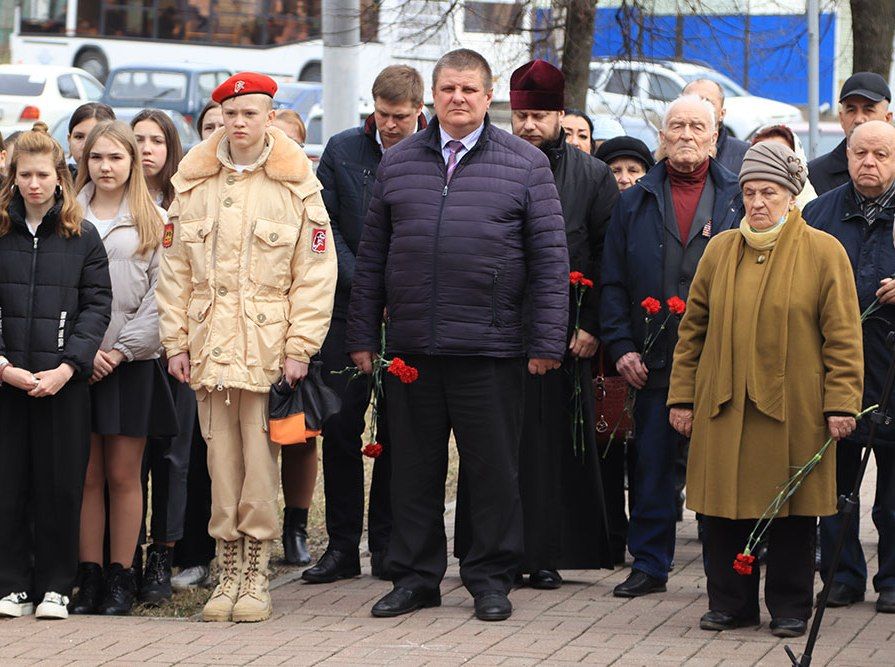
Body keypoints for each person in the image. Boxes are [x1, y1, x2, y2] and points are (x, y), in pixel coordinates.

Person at [347, 49, 569, 622]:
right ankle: (415, 578)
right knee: (412, 471)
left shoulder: (525, 164)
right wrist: (363, 333)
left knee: (492, 471)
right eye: (448, 89)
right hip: (414, 347)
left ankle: (490, 578)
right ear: (433, 96)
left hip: (491, 348)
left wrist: (547, 341)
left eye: (469, 89)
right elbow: (372, 258)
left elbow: (550, 260)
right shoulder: (399, 162)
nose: (458, 98)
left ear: (489, 98)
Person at [156, 71, 337, 623]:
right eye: (230, 114)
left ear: (269, 117)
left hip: (266, 348)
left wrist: (300, 346)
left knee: (259, 464)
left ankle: (255, 572)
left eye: (250, 113)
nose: (238, 123)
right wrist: (175, 341)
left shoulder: (296, 184)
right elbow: (174, 270)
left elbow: (315, 272)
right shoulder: (195, 182)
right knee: (220, 462)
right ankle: (226, 569)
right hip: (209, 346)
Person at [669, 141, 864, 637]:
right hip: (723, 405)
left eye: (770, 193)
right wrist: (682, 397)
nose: (757, 202)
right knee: (721, 509)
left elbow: (843, 337)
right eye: (750, 192)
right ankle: (730, 604)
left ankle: (790, 607)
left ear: (792, 196)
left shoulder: (823, 252)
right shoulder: (719, 251)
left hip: (795, 407)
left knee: (793, 511)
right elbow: (692, 332)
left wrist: (842, 404)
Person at [454, 59, 616, 588]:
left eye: (540, 116)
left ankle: (547, 554)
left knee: (552, 451)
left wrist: (590, 323)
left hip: (565, 335)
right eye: (522, 116)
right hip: (498, 330)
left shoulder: (593, 176)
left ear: (560, 115)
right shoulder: (491, 163)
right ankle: (493, 552)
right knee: (496, 445)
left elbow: (608, 258)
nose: (528, 126)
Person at [599, 95, 742, 598]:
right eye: (676, 125)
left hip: (722, 359)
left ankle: (726, 572)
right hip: (652, 358)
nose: (686, 134)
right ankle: (649, 564)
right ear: (661, 138)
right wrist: (621, 345)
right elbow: (612, 281)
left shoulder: (738, 196)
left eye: (696, 126)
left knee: (721, 467)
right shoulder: (633, 201)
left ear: (714, 137)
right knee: (652, 466)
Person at [302, 64, 426, 585]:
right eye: (382, 114)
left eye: (400, 117)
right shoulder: (343, 150)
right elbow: (325, 227)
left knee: (400, 431)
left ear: (420, 111)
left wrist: (398, 293)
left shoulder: (434, 154)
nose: (390, 126)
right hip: (347, 308)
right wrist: (369, 287)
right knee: (339, 427)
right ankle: (342, 546)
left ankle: (388, 544)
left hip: (410, 313)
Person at [0, 125, 112, 620]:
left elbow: (97, 306)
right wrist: (5, 367)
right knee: (9, 485)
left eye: (43, 175)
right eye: (25, 175)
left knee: (61, 486)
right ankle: (12, 584)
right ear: (13, 176)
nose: (34, 184)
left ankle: (56, 586)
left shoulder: (81, 235)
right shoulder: (1, 230)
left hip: (62, 384)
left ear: (60, 177)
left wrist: (68, 368)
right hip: (7, 383)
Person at [69, 121, 177, 616]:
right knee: (87, 474)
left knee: (123, 474)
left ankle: (120, 575)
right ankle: (89, 575)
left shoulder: (154, 220)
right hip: (77, 364)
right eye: (96, 157)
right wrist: (83, 351)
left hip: (129, 363)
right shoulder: (69, 216)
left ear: (133, 162)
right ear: (83, 161)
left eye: (116, 157)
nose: (105, 167)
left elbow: (162, 296)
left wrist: (119, 350)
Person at [804, 120, 895, 614]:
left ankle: (893, 580)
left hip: (891, 371)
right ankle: (841, 577)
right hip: (834, 372)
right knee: (836, 488)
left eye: (881, 154)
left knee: (893, 495)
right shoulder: (820, 212)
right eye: (860, 153)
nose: (869, 163)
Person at [128, 109, 191, 605]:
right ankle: (125, 555)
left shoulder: (184, 200)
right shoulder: (113, 204)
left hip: (175, 349)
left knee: (172, 456)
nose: (146, 149)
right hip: (128, 352)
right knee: (129, 458)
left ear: (171, 149)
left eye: (156, 141)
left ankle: (161, 558)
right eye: (138, 140)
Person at [268, 106, 319, 567]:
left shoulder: (308, 192)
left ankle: (295, 527)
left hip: (296, 333)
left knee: (298, 436)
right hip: (248, 335)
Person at [808, 72, 892, 195]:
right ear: (842, 118)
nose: (859, 119)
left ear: (887, 118)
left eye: (868, 110)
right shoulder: (814, 175)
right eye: (851, 110)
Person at [682, 79, 749, 174]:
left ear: (722, 114)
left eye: (707, 102)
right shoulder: (666, 153)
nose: (698, 107)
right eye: (691, 101)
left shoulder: (745, 155)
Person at [750, 124, 818, 208]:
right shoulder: (740, 201)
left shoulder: (811, 206)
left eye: (781, 155)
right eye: (765, 155)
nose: (773, 163)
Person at [66, 103, 116, 179]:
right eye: (79, 137)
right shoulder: (59, 181)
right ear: (69, 140)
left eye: (94, 137)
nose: (85, 146)